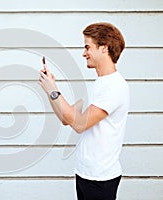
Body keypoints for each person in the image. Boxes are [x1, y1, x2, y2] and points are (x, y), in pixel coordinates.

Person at [39, 22, 129, 200]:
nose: (84, 53)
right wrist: (51, 89)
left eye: (87, 47)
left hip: (100, 178)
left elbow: (79, 124)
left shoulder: (115, 87)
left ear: (104, 48)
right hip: (86, 173)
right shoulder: (99, 84)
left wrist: (54, 91)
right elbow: (67, 119)